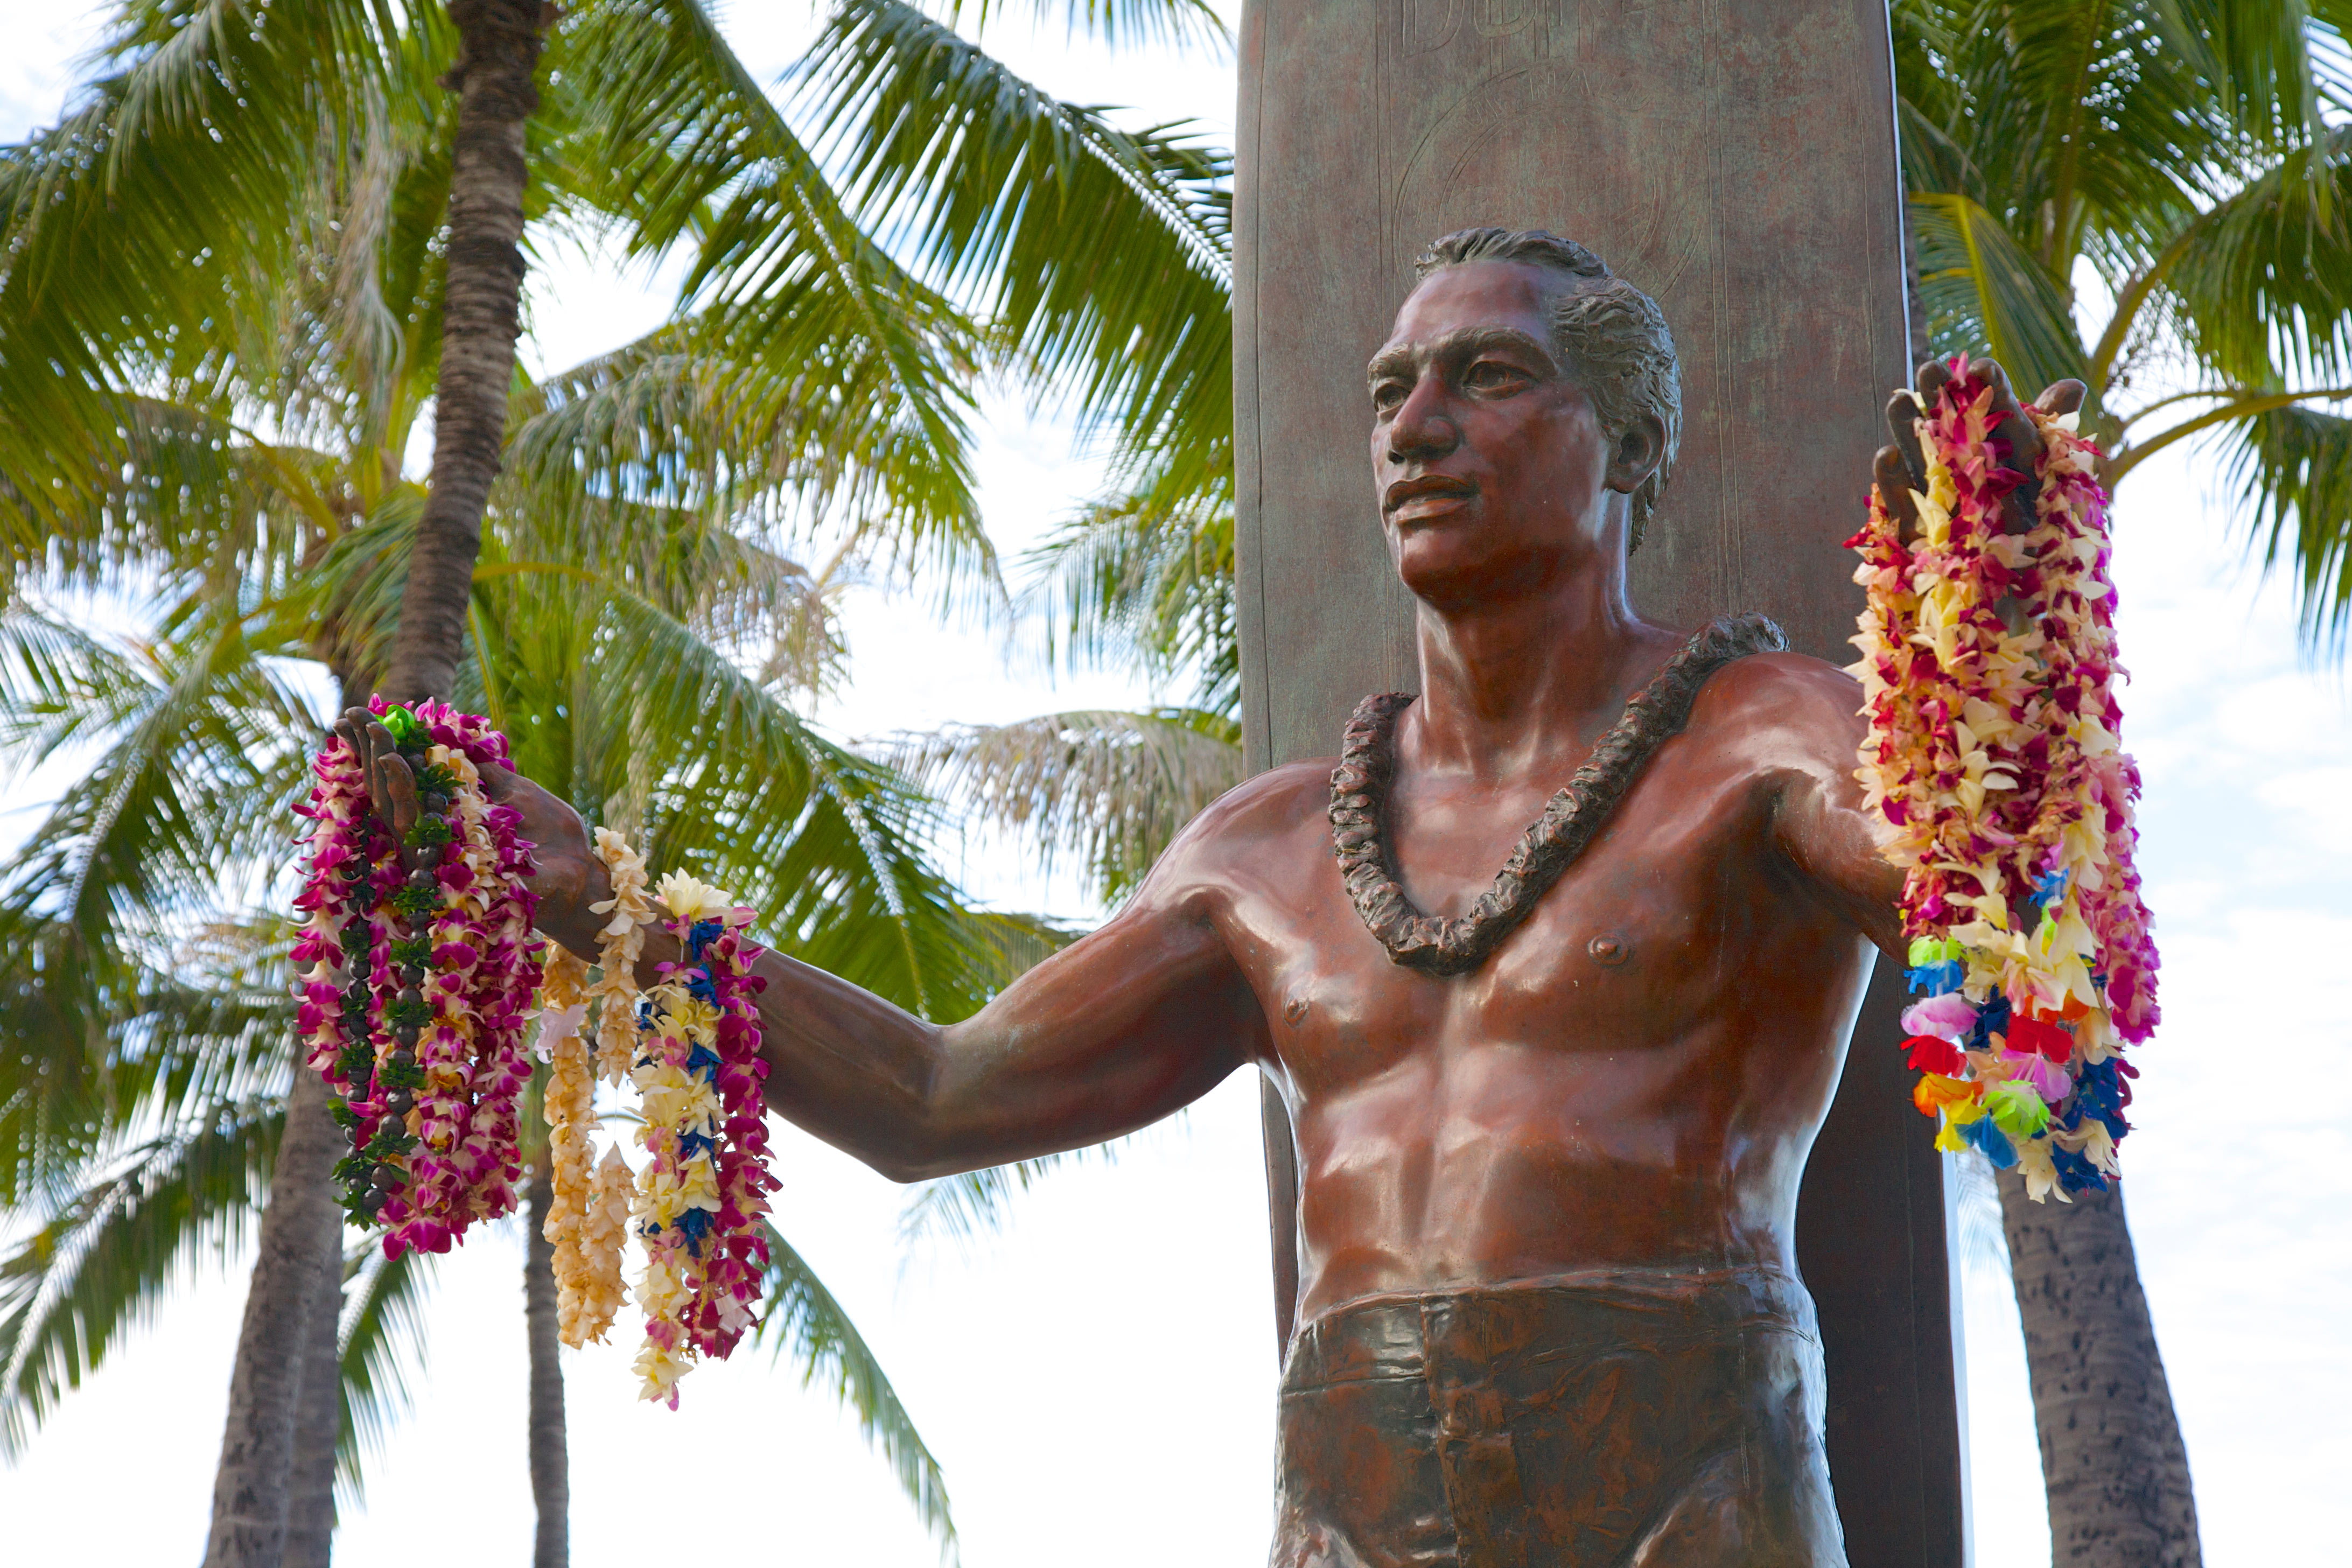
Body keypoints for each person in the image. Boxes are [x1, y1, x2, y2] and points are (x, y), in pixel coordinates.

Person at [342, 228, 2081, 1567]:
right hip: (1344, 1493)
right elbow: (937, 1096)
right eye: (1393, 390)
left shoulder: (1762, 735)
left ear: (1624, 438)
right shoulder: (1269, 851)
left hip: (1689, 1475)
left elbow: (1991, 932)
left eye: (1487, 379)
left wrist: (1981, 651)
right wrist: (598, 907)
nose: (1417, 427)